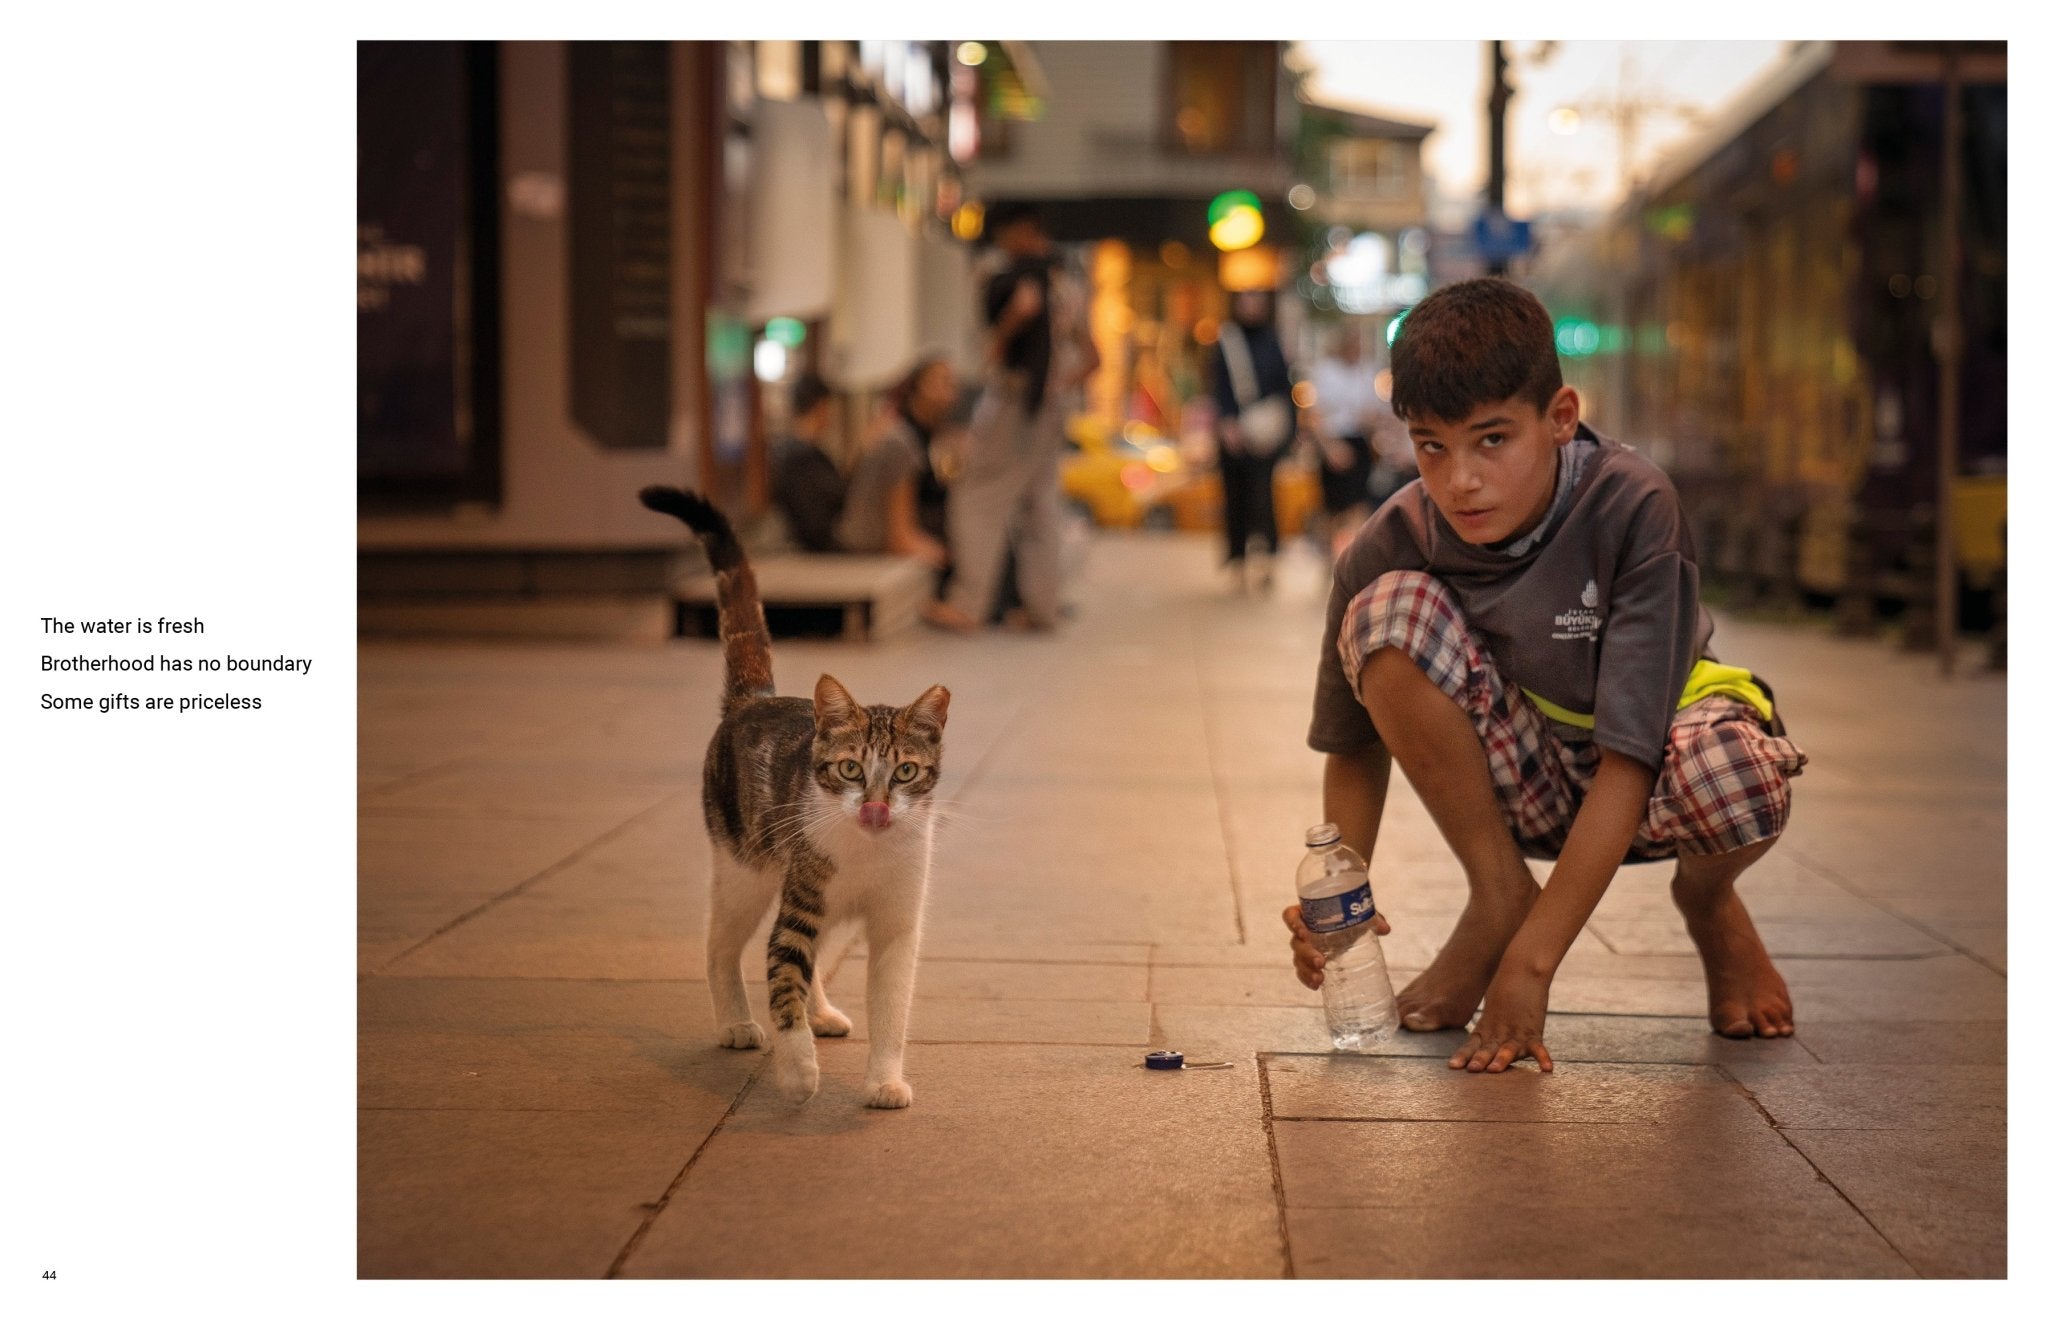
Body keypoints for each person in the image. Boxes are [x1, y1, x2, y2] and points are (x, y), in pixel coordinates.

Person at [1283, 277, 1809, 1073]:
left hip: (1654, 771)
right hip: (1521, 785)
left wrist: (1532, 968)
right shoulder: (1388, 542)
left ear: (1560, 418)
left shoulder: (1634, 507)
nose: (1460, 479)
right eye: (1432, 446)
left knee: (1736, 777)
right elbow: (1353, 747)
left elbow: (1631, 754)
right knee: (1386, 614)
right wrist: (1339, 913)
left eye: (1492, 440)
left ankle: (1708, 902)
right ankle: (1498, 895)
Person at [923, 201, 1098, 634]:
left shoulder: (1010, 279)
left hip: (1016, 401)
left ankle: (968, 603)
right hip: (1051, 407)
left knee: (978, 496)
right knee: (1041, 504)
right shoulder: (1064, 284)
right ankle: (1043, 607)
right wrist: (1061, 383)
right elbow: (1094, 359)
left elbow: (997, 349)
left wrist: (1009, 326)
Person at [1211, 289, 1294, 593]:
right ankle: (1238, 565)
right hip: (1233, 436)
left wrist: (1283, 432)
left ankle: (1267, 563)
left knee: (1264, 499)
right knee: (1235, 499)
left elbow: (1283, 390)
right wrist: (1227, 423)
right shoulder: (1226, 340)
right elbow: (1218, 386)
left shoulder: (1272, 341)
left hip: (1265, 436)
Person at [837, 355, 954, 569]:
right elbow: (899, 539)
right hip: (867, 555)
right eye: (942, 382)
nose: (950, 393)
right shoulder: (901, 440)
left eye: (952, 384)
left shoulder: (924, 438)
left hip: (880, 548)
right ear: (918, 387)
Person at [1302, 322, 1395, 558]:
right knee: (1332, 509)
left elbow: (1376, 411)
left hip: (1359, 442)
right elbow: (1315, 415)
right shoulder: (1326, 372)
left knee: (1360, 505)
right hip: (1334, 442)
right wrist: (1330, 448)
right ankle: (1327, 558)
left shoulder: (1367, 371)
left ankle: (1352, 556)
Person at [769, 372, 848, 553]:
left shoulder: (793, 452)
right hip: (813, 557)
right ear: (821, 406)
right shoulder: (799, 457)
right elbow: (813, 523)